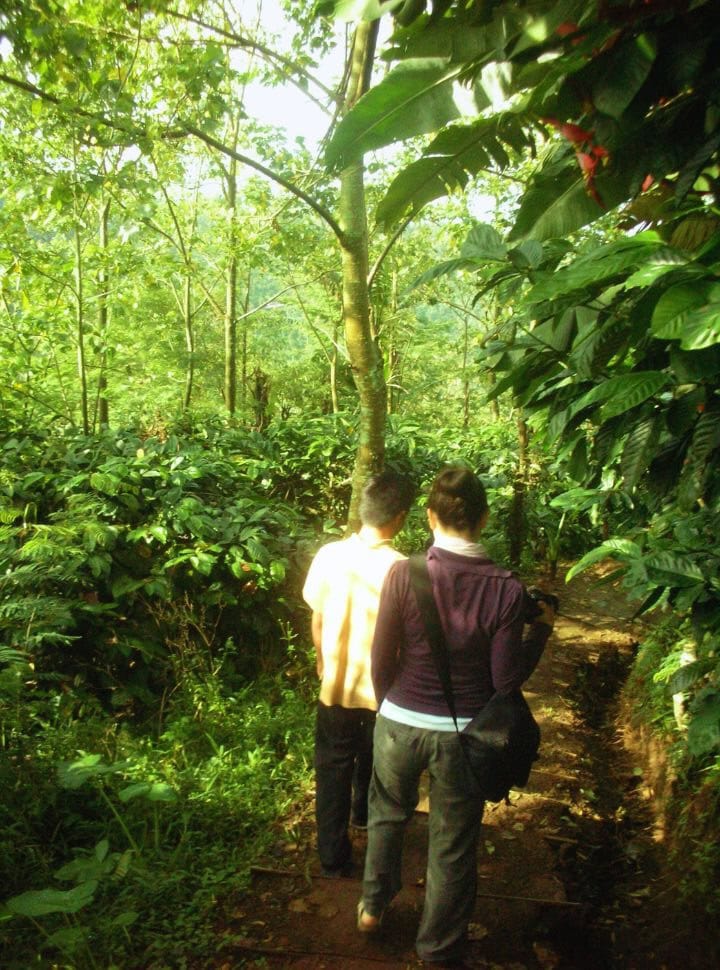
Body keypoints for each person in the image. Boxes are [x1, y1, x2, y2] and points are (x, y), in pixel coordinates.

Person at [357, 464, 555, 965]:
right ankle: (437, 947)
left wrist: (390, 706)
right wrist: (542, 633)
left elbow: (382, 657)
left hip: (399, 720)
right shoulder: (507, 590)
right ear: (484, 518)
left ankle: (373, 908)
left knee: (386, 815)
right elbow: (505, 683)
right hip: (465, 736)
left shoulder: (404, 573)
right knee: (452, 842)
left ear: (428, 516)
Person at [303, 471, 416, 877]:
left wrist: (322, 661)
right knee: (374, 760)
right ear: (400, 517)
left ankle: (332, 856)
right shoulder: (402, 569)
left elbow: (317, 618)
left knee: (332, 766)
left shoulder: (328, 555)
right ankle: (366, 818)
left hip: (335, 686)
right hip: (382, 692)